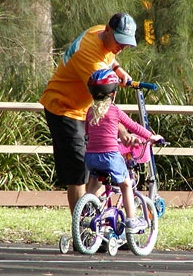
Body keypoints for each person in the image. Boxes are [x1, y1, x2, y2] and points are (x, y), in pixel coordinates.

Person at [39, 13, 139, 215]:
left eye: (126, 43)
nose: (122, 46)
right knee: (78, 171)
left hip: (85, 111)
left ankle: (95, 224)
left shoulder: (98, 32)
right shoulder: (88, 54)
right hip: (64, 108)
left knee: (97, 162)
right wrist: (121, 131)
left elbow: (109, 57)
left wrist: (118, 70)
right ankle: (83, 231)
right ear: (108, 30)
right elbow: (103, 102)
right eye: (119, 40)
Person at [84, 69, 164, 233]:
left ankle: (85, 208)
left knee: (94, 184)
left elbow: (87, 132)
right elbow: (134, 127)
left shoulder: (90, 112)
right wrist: (152, 136)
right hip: (110, 156)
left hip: (91, 156)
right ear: (113, 94)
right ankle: (131, 221)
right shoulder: (115, 111)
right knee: (126, 184)